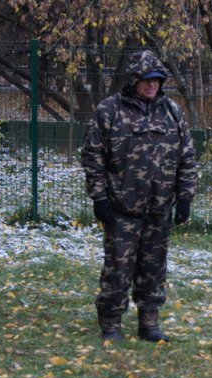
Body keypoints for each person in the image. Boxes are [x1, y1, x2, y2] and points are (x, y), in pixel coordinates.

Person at [82, 50, 197, 342]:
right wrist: (100, 198)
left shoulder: (172, 110)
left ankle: (149, 322)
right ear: (134, 79)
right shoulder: (109, 110)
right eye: (146, 80)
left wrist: (185, 197)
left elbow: (187, 156)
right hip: (121, 208)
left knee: (154, 268)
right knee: (118, 268)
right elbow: (93, 156)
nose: (151, 85)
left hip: (159, 209)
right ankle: (111, 324)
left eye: (157, 80)